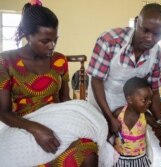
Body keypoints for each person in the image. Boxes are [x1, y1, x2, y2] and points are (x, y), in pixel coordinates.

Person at [0, 1, 98, 166]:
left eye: (55, 40)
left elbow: (65, 101)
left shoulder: (59, 60)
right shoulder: (6, 61)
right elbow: (3, 112)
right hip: (23, 124)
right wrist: (36, 129)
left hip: (58, 121)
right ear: (27, 35)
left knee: (89, 152)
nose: (52, 46)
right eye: (45, 41)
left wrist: (77, 121)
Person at [87, 3, 161, 136]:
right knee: (102, 145)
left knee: (132, 148)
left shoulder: (157, 56)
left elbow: (154, 93)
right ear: (137, 22)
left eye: (157, 34)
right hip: (102, 101)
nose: (150, 38)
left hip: (131, 108)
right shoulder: (109, 41)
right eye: (145, 30)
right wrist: (110, 117)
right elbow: (96, 81)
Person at [112, 77, 161, 167]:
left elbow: (160, 128)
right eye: (144, 100)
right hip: (119, 160)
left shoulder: (145, 116)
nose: (149, 103)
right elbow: (109, 132)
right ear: (130, 99)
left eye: (150, 99)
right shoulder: (118, 114)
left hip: (140, 161)